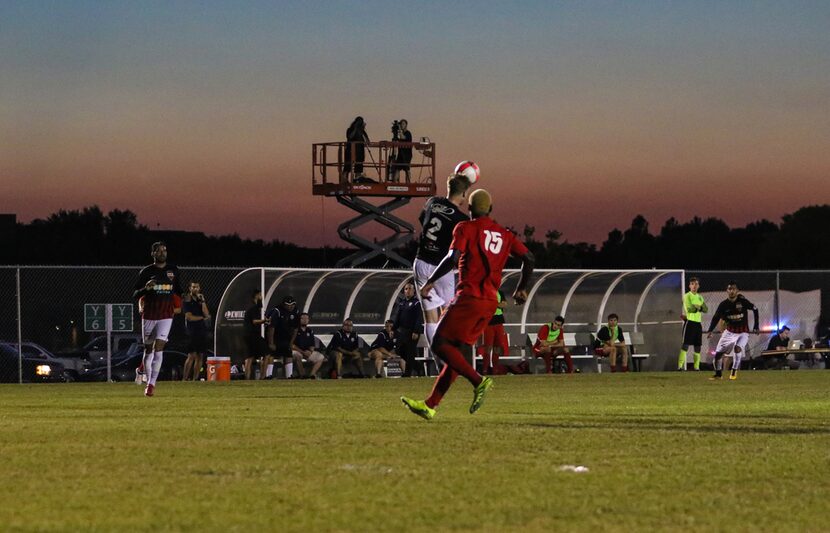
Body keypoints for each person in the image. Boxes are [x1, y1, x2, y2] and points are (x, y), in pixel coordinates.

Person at [401, 189, 535, 420]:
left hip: (469, 297)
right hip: (490, 303)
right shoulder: (505, 234)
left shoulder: (465, 228)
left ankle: (478, 381)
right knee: (456, 352)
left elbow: (453, 258)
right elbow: (529, 258)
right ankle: (430, 405)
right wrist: (522, 288)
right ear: (491, 209)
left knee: (440, 344)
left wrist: (431, 281)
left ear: (469, 210)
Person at [413, 173, 472, 372]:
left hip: (420, 261)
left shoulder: (432, 202)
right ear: (463, 194)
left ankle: (441, 364)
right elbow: (456, 254)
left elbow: (423, 220)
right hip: (441, 267)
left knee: (430, 318)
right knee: (449, 314)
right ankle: (452, 362)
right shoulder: (460, 219)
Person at [132, 241, 183, 397]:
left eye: (164, 250)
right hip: (149, 315)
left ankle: (150, 384)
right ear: (153, 254)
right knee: (148, 350)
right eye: (159, 251)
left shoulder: (173, 270)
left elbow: (178, 291)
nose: (162, 253)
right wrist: (145, 288)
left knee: (158, 348)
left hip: (166, 315)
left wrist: (182, 298)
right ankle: (141, 370)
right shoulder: (146, 272)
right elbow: (135, 294)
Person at [706, 281, 759, 380]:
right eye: (729, 289)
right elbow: (716, 317)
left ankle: (734, 371)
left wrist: (756, 326)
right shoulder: (723, 305)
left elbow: (755, 309)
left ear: (737, 290)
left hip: (743, 332)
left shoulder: (742, 301)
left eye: (734, 289)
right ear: (727, 291)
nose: (731, 291)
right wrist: (710, 330)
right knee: (718, 356)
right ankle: (718, 374)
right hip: (729, 332)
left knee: (737, 348)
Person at [392, 282, 424, 377]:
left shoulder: (416, 303)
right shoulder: (402, 303)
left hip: (412, 332)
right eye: (406, 289)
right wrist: (393, 329)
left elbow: (419, 318)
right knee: (400, 350)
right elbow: (397, 318)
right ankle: (418, 367)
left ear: (414, 291)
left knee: (410, 352)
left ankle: (407, 373)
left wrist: (416, 331)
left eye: (410, 289)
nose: (408, 291)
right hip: (402, 331)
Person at [182, 281, 210, 381]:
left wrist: (203, 301)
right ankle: (184, 379)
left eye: (197, 287)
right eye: (193, 287)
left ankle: (195, 379)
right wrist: (202, 318)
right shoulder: (187, 300)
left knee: (200, 356)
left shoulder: (200, 300)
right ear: (190, 288)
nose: (195, 289)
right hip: (191, 332)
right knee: (192, 355)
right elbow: (189, 317)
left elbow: (207, 314)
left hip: (201, 331)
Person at [266, 296, 300, 378]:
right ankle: (268, 375)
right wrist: (271, 343)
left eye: (292, 304)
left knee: (288, 354)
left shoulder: (296, 312)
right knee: (271, 354)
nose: (290, 306)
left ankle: (289, 376)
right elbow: (271, 328)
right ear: (284, 305)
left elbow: (295, 329)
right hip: (275, 337)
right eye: (288, 305)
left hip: (286, 337)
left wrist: (291, 343)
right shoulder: (277, 311)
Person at [678, 277, 708, 371]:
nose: (694, 285)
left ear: (698, 286)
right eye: (692, 284)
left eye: (696, 284)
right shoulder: (687, 296)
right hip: (689, 322)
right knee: (685, 345)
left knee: (698, 346)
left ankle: (696, 367)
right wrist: (699, 307)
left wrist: (698, 307)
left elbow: (706, 309)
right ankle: (679, 366)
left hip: (698, 324)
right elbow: (691, 308)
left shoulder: (700, 297)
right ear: (689, 286)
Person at [479, 289, 509, 375]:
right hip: (488, 323)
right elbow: (486, 305)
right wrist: (498, 304)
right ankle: (485, 370)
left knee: (497, 347)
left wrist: (494, 304)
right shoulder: (485, 292)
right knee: (488, 347)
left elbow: (504, 304)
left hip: (499, 322)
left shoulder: (500, 292)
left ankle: (495, 370)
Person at [243, 290, 269, 380]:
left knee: (250, 357)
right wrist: (264, 321)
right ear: (257, 296)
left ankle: (247, 378)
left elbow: (260, 306)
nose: (261, 297)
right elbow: (254, 321)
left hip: (250, 335)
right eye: (260, 295)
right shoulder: (253, 307)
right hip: (253, 335)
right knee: (266, 354)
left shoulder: (254, 307)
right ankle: (263, 377)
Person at [291, 313, 327, 379]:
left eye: (306, 318)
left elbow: (312, 344)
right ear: (299, 320)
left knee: (320, 357)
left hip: (307, 352)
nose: (305, 320)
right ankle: (302, 376)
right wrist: (302, 352)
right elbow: (292, 345)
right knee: (297, 355)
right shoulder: (295, 329)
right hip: (296, 351)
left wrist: (310, 351)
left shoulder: (310, 331)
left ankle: (312, 375)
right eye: (303, 318)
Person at [342, 116, 370, 181]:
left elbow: (368, 142)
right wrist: (355, 128)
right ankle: (344, 180)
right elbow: (350, 137)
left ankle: (357, 179)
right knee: (347, 167)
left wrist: (363, 130)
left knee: (359, 167)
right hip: (350, 151)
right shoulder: (350, 130)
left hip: (360, 152)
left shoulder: (362, 131)